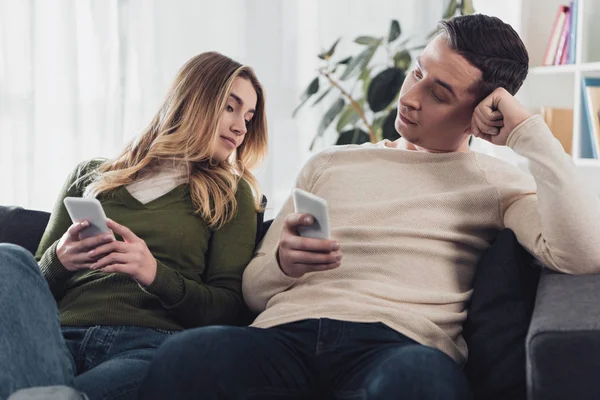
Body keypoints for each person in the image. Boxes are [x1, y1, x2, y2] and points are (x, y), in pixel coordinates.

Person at [140, 14, 600, 400]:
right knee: (188, 357)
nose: (411, 97)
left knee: (420, 383)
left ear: (484, 112)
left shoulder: (497, 182)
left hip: (399, 346)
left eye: (439, 94)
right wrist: (282, 264)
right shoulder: (330, 163)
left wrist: (528, 134)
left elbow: (580, 254)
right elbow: (255, 294)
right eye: (417, 72)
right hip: (285, 336)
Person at [0, 51, 268, 400]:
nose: (241, 127)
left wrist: (154, 273)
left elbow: (229, 308)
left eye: (248, 117)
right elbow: (26, 292)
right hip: (57, 338)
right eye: (230, 108)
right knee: (7, 258)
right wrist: (59, 259)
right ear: (194, 100)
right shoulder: (89, 176)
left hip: (145, 346)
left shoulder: (231, 195)